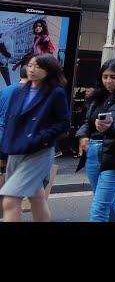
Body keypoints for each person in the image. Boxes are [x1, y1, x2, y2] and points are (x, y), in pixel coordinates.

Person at [0, 55, 70, 222]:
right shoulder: (18, 92)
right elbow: (10, 124)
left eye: (37, 66)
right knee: (37, 198)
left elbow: (64, 123)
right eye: (30, 65)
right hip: (17, 151)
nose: (32, 69)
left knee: (10, 198)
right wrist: (3, 153)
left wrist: (40, 137)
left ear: (48, 70)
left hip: (39, 151)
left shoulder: (56, 93)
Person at [76, 59, 115, 222]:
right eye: (105, 77)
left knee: (99, 208)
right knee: (108, 202)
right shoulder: (98, 96)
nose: (108, 81)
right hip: (93, 153)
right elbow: (87, 123)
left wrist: (112, 129)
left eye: (113, 77)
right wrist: (83, 136)